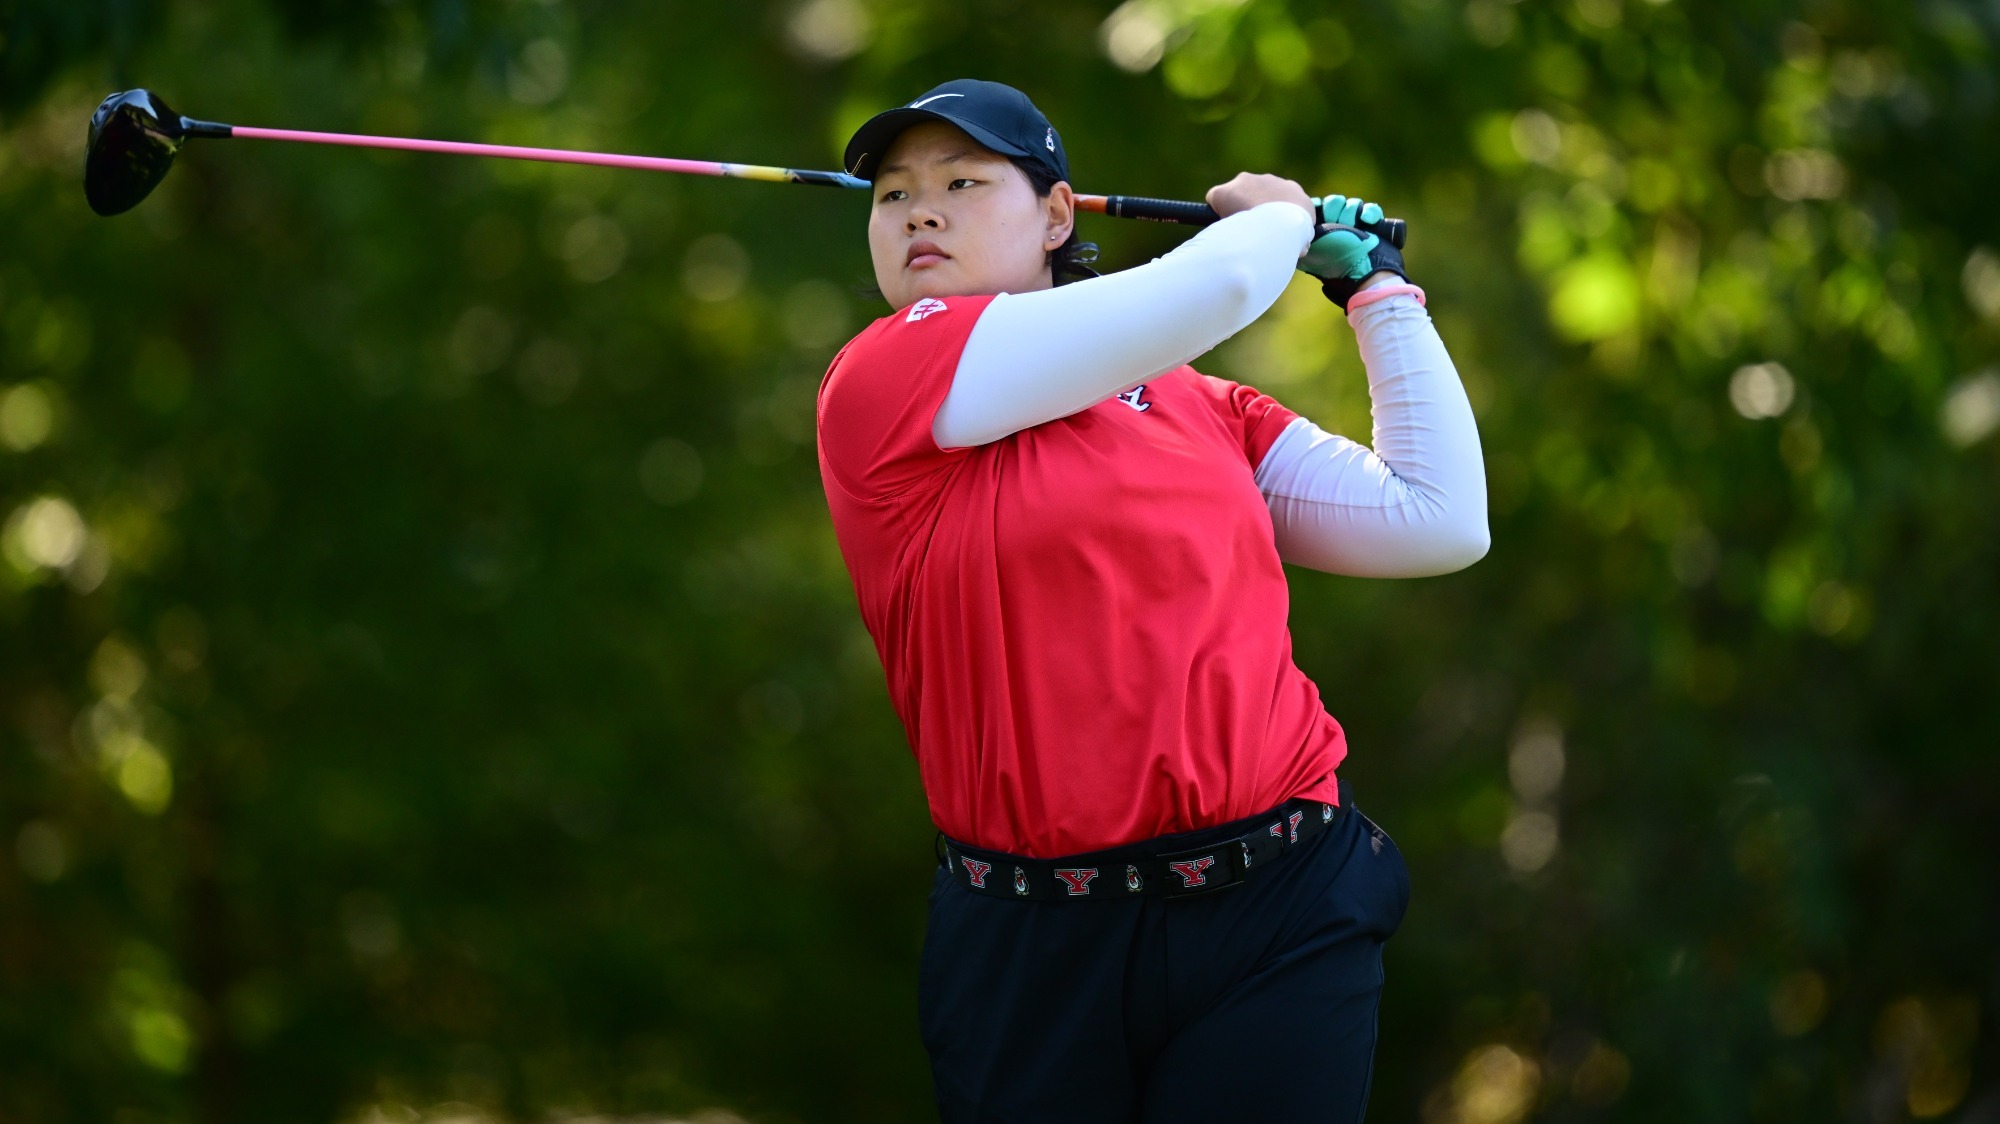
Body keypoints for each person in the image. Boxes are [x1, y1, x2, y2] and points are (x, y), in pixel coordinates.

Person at [814, 78, 1488, 1123]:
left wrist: (1379, 294)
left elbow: (1434, 517)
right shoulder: (885, 374)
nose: (921, 212)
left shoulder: (1189, 400)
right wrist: (1276, 221)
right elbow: (1217, 288)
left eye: (960, 182)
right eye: (892, 195)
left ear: (1055, 216)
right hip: (1032, 942)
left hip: (1277, 900)